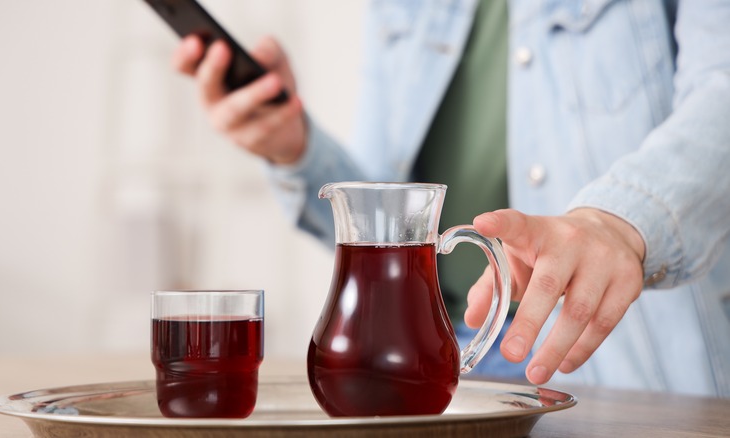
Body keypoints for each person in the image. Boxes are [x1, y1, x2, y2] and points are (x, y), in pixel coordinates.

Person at [171, 0, 730, 397]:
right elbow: (379, 211)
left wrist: (617, 221)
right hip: (433, 361)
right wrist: (293, 147)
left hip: (624, 363)